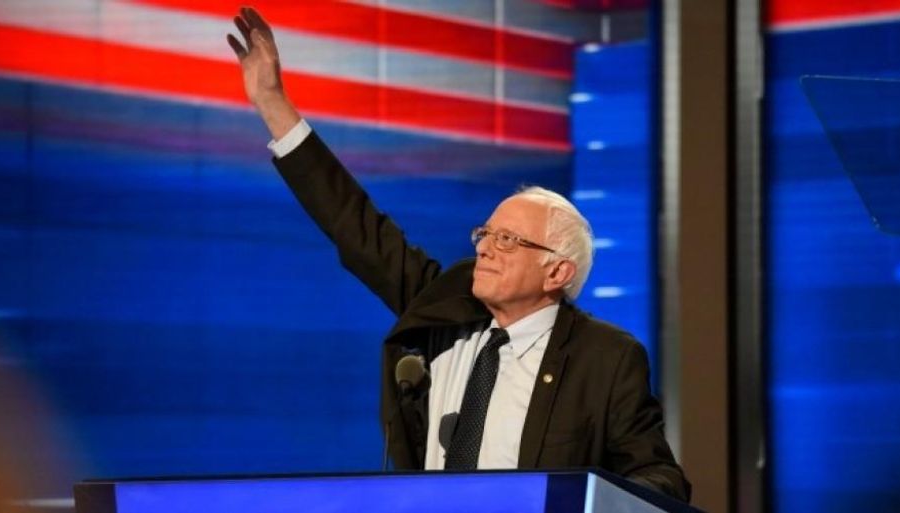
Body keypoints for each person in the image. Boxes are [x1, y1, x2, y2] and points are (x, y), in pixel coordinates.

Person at [227, 6, 690, 502]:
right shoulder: (446, 310)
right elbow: (354, 226)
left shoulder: (606, 358)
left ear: (557, 270)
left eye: (509, 240)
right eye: (485, 234)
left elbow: (658, 478)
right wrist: (274, 104)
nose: (486, 248)